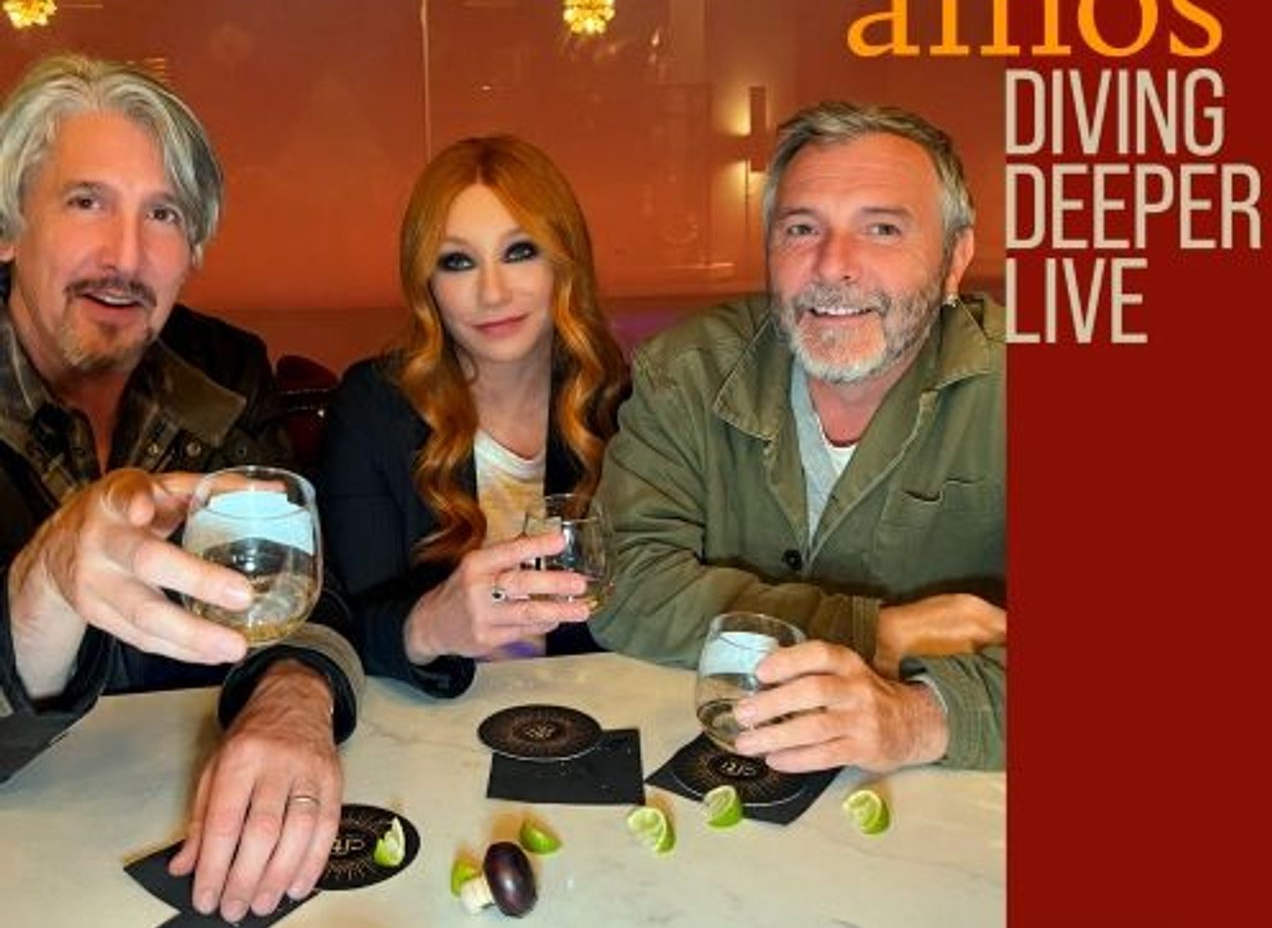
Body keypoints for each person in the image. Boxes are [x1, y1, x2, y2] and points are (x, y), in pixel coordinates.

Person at [0, 54, 363, 924]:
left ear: (193, 249)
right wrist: (47, 583)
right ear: (9, 225)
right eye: (86, 201)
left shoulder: (224, 371)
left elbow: (308, 589)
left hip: (191, 835)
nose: (125, 257)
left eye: (162, 214)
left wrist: (293, 693)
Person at [590, 101, 1006, 773]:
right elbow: (623, 585)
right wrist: (874, 635)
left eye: (882, 228)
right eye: (802, 228)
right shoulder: (687, 372)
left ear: (955, 258)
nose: (833, 265)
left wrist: (920, 717)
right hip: (718, 773)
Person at [317, 135, 628, 697]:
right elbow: (336, 626)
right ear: (427, 285)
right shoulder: (373, 407)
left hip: (591, 713)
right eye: (457, 262)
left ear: (565, 262)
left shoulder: (620, 405)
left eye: (520, 251)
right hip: (427, 722)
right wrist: (427, 626)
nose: (492, 292)